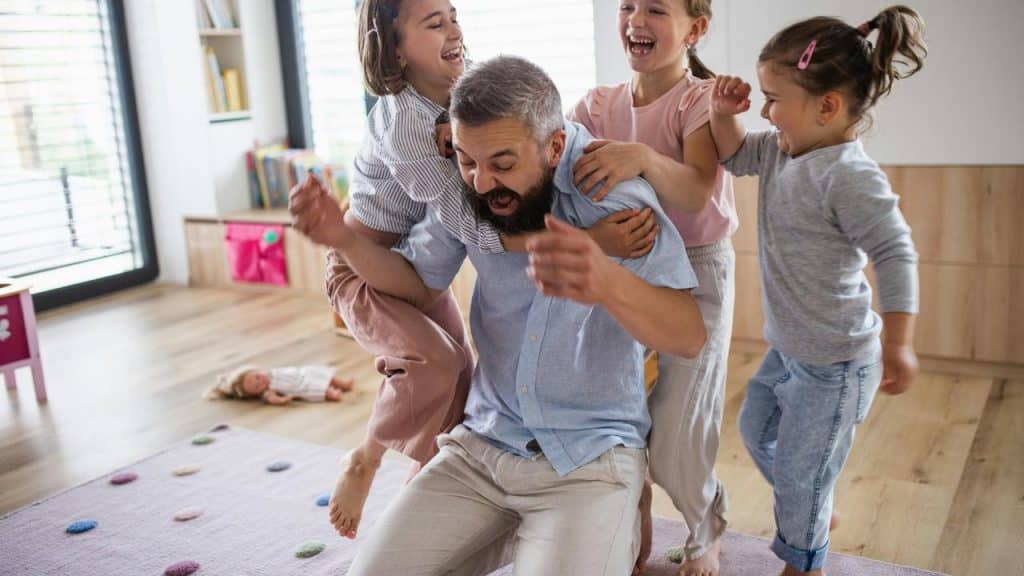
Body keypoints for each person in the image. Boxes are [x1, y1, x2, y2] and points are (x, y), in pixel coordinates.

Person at [291, 55, 707, 576]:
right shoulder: (470, 194)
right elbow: (419, 285)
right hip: (481, 447)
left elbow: (688, 335)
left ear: (554, 146)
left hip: (589, 458)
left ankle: (620, 512)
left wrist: (606, 278)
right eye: (467, 160)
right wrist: (343, 239)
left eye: (503, 164)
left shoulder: (616, 196)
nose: (483, 182)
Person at [318, 0, 656, 541]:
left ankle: (422, 489)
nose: (453, 29)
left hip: (415, 261)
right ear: (396, 49)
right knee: (436, 362)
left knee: (460, 390)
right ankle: (364, 459)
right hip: (363, 267)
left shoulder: (457, 96)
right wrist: (594, 241)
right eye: (434, 24)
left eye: (453, 16)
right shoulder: (405, 122)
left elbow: (523, 122)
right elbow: (477, 230)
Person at [709, 6, 925, 575]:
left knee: (802, 475)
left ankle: (805, 563)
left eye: (774, 98)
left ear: (827, 106)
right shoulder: (782, 149)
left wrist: (900, 342)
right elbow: (730, 154)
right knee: (755, 431)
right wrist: (721, 111)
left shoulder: (848, 176)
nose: (765, 110)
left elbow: (895, 252)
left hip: (837, 363)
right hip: (788, 350)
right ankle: (812, 506)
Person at [570, 2, 736, 573]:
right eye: (627, 6)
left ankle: (706, 523)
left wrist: (641, 158)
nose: (636, 18)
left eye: (657, 9)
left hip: (697, 270)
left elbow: (694, 193)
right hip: (628, 262)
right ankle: (625, 528)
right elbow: (559, 170)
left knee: (676, 440)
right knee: (616, 417)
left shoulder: (698, 102)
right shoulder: (596, 105)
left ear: (697, 27)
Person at [203, 365, 353, 404]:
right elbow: (273, 399)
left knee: (323, 374)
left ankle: (343, 384)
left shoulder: (269, 372)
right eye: (256, 386)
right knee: (319, 388)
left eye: (256, 377)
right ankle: (333, 394)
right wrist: (282, 400)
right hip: (300, 386)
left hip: (302, 373)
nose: (259, 381)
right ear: (256, 393)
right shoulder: (268, 391)